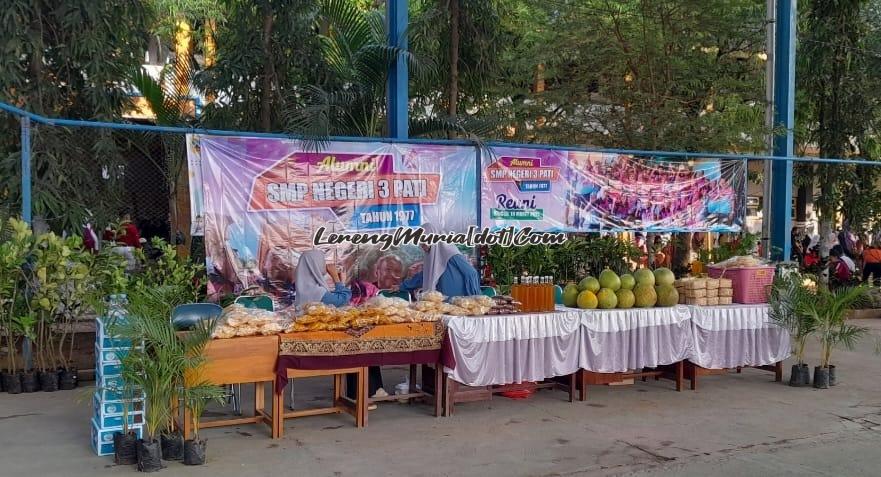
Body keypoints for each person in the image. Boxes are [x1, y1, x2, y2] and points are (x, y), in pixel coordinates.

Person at [398, 223, 481, 298]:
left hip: (457, 304)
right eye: (420, 242)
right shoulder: (432, 257)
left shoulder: (451, 254)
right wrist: (401, 286)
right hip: (440, 304)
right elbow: (423, 277)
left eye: (423, 241)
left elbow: (471, 273)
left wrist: (474, 296)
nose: (421, 245)